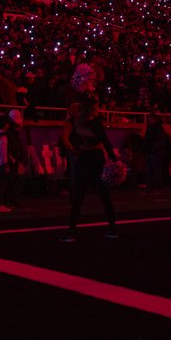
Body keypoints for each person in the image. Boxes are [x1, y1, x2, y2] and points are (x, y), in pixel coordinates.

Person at [59, 93, 119, 241]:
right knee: (88, 195)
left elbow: (105, 142)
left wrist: (114, 160)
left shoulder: (91, 122)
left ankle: (72, 231)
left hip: (92, 158)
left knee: (96, 194)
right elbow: (105, 142)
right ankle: (110, 228)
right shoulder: (78, 121)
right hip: (89, 157)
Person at [0, 110, 23, 212]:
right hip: (1, 163)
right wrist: (6, 163)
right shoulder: (3, 136)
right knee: (1, 185)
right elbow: (3, 152)